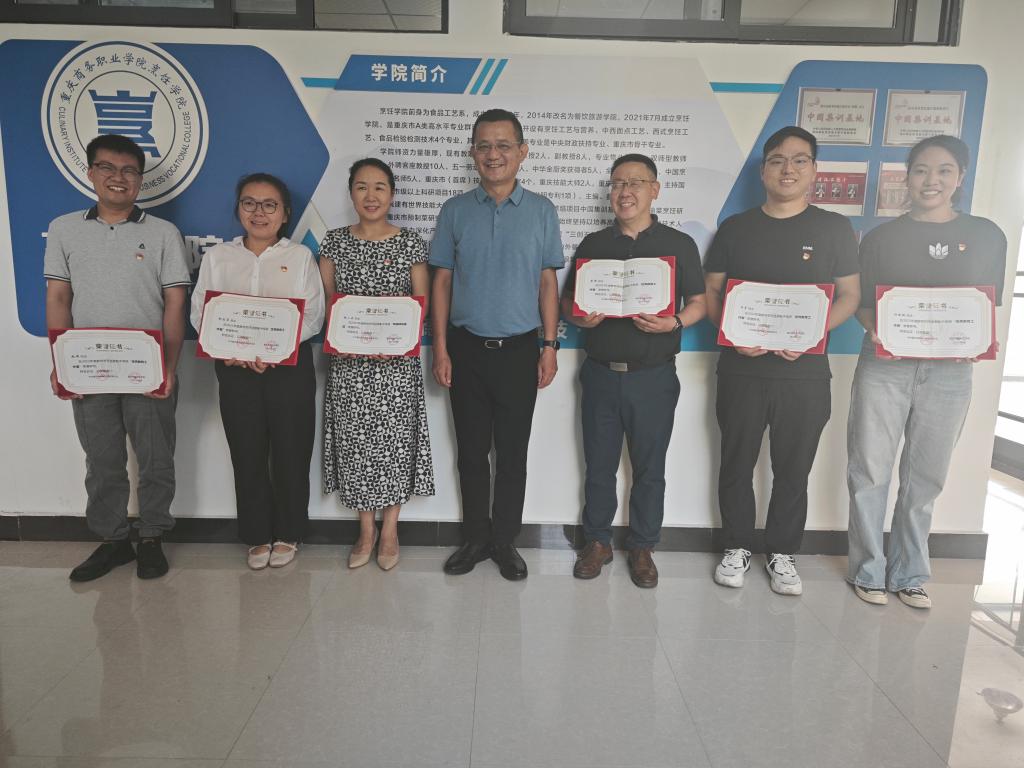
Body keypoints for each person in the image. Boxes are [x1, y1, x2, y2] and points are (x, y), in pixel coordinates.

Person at [847, 135, 1006, 609]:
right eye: (920, 170)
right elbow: (863, 304)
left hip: (950, 373)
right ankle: (868, 570)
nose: (930, 180)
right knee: (869, 469)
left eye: (943, 170)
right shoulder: (881, 238)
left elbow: (985, 304)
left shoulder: (987, 235)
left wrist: (975, 338)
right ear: (907, 177)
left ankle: (910, 572)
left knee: (926, 476)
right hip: (885, 365)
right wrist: (876, 328)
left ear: (960, 177)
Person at [705, 126, 860, 596]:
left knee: (794, 468)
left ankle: (782, 552)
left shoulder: (833, 228)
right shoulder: (736, 228)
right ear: (764, 171)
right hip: (742, 369)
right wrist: (732, 334)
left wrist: (813, 333)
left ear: (814, 170)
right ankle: (736, 545)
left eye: (799, 160)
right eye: (776, 160)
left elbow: (850, 295)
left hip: (804, 374)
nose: (787, 169)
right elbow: (712, 290)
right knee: (736, 463)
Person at [45, 134, 191, 581]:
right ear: (90, 172)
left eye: (129, 171)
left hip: (148, 368)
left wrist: (169, 367)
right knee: (102, 459)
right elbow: (59, 297)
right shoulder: (64, 229)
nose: (118, 178)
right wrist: (60, 363)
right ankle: (112, 541)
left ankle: (151, 537)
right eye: (107, 168)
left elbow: (175, 303)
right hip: (88, 369)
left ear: (140, 179)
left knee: (155, 457)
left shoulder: (163, 233)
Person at [430, 108, 563, 581]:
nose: (494, 154)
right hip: (465, 349)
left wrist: (549, 345)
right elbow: (441, 282)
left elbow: (547, 283)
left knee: (511, 454)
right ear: (473, 152)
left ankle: (505, 541)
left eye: (504, 145)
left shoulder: (542, 211)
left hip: (520, 351)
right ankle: (474, 539)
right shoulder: (455, 210)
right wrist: (440, 347)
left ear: (522, 152)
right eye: (484, 145)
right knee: (470, 453)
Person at [562, 153, 707, 588]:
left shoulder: (679, 244)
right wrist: (579, 317)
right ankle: (597, 542)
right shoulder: (593, 245)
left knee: (650, 467)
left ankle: (643, 546)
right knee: (599, 465)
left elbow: (699, 303)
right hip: (600, 373)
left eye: (635, 183)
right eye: (617, 183)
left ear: (654, 190)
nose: (625, 192)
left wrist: (674, 322)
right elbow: (569, 303)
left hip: (654, 376)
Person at [190, 173, 324, 570]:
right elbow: (200, 312)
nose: (259, 212)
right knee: (246, 452)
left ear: (285, 214)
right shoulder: (219, 257)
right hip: (234, 371)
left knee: (291, 452)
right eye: (249, 203)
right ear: (238, 210)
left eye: (270, 205)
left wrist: (274, 350)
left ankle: (289, 532)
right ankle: (256, 534)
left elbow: (313, 315)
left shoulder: (299, 257)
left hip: (289, 369)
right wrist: (228, 349)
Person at [320, 158, 435, 571]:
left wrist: (395, 340)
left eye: (380, 187)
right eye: (362, 187)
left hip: (396, 367)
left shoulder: (411, 243)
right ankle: (365, 530)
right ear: (351, 192)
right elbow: (327, 304)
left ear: (392, 194)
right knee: (356, 447)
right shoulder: (333, 242)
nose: (371, 196)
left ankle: (390, 531)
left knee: (395, 445)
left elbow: (421, 305)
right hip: (349, 366)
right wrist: (345, 338)